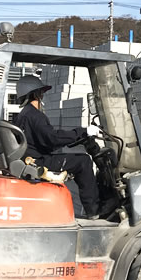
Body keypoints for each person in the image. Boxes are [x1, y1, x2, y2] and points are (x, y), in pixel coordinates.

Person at [13, 75, 102, 220]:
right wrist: (83, 132)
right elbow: (52, 139)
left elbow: (45, 141)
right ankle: (94, 211)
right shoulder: (35, 116)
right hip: (38, 161)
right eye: (41, 93)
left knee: (75, 159)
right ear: (35, 94)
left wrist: (74, 137)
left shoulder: (23, 115)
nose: (42, 96)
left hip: (32, 158)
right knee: (84, 161)